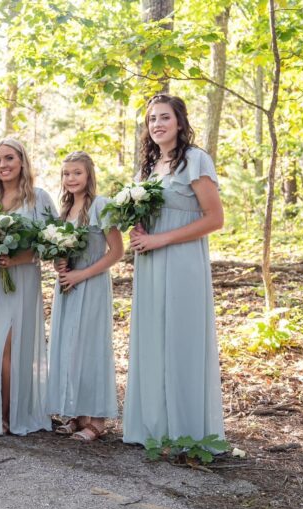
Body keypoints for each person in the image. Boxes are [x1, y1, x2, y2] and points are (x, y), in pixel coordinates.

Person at [124, 94, 225, 445]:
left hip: (183, 263)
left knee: (181, 339)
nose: (157, 125)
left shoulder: (196, 161)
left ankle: (186, 429)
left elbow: (215, 219)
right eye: (152, 119)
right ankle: (153, 425)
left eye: (164, 118)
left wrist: (162, 239)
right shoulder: (147, 169)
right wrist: (138, 231)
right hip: (150, 263)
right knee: (153, 338)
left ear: (180, 123)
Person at [0, 138, 56, 436]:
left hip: (20, 280)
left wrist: (22, 257)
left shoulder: (39, 198)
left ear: (21, 161)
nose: (2, 165)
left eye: (8, 158)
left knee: (7, 348)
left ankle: (9, 414)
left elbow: (53, 242)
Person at [47, 151, 123, 441]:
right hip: (67, 286)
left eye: (77, 173)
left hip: (91, 284)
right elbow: (58, 252)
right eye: (66, 173)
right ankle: (75, 415)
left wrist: (81, 274)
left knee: (90, 347)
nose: (71, 179)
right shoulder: (64, 211)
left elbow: (117, 252)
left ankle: (97, 420)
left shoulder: (101, 205)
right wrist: (61, 264)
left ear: (89, 175)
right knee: (68, 347)